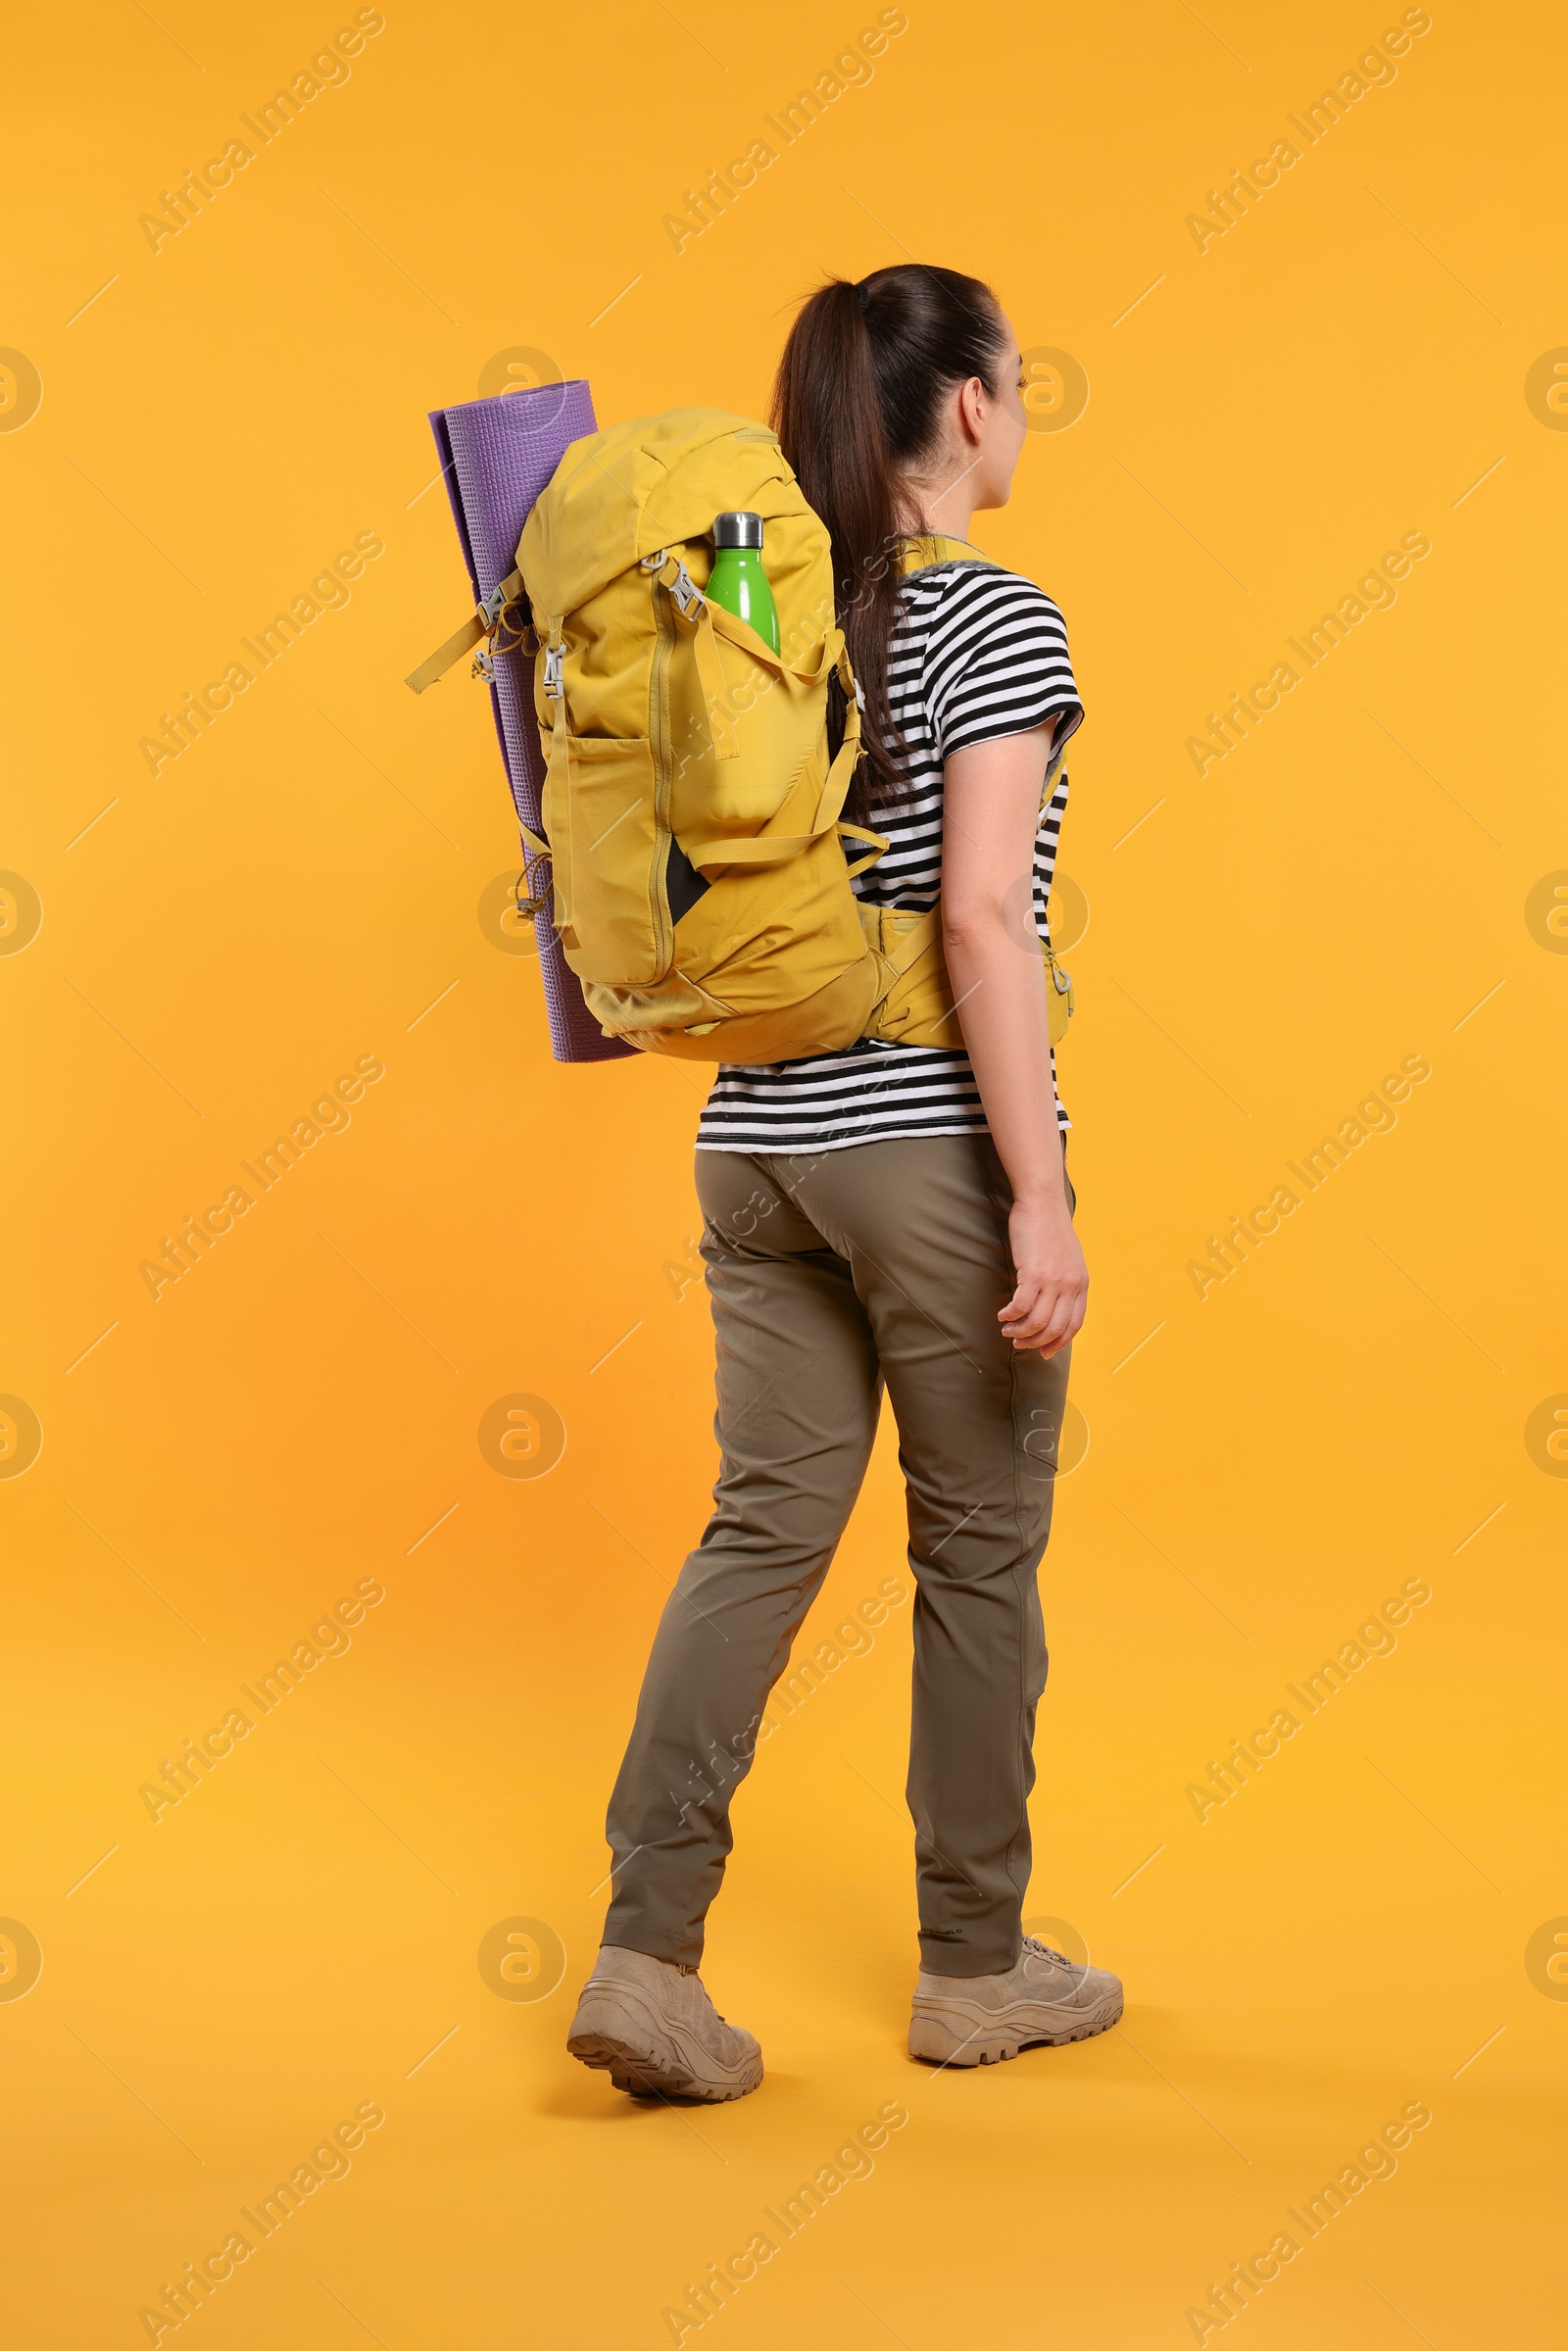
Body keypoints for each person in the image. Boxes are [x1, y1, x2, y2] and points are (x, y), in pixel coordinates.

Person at [566, 264, 1122, 2101]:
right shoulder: (999, 623)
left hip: (752, 1146)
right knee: (976, 1550)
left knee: (757, 1534)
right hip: (918, 1147)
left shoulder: (764, 611)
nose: (1022, 413)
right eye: (1017, 384)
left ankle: (647, 1959)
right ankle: (976, 1966)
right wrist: (1037, 1198)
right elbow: (981, 913)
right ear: (967, 408)